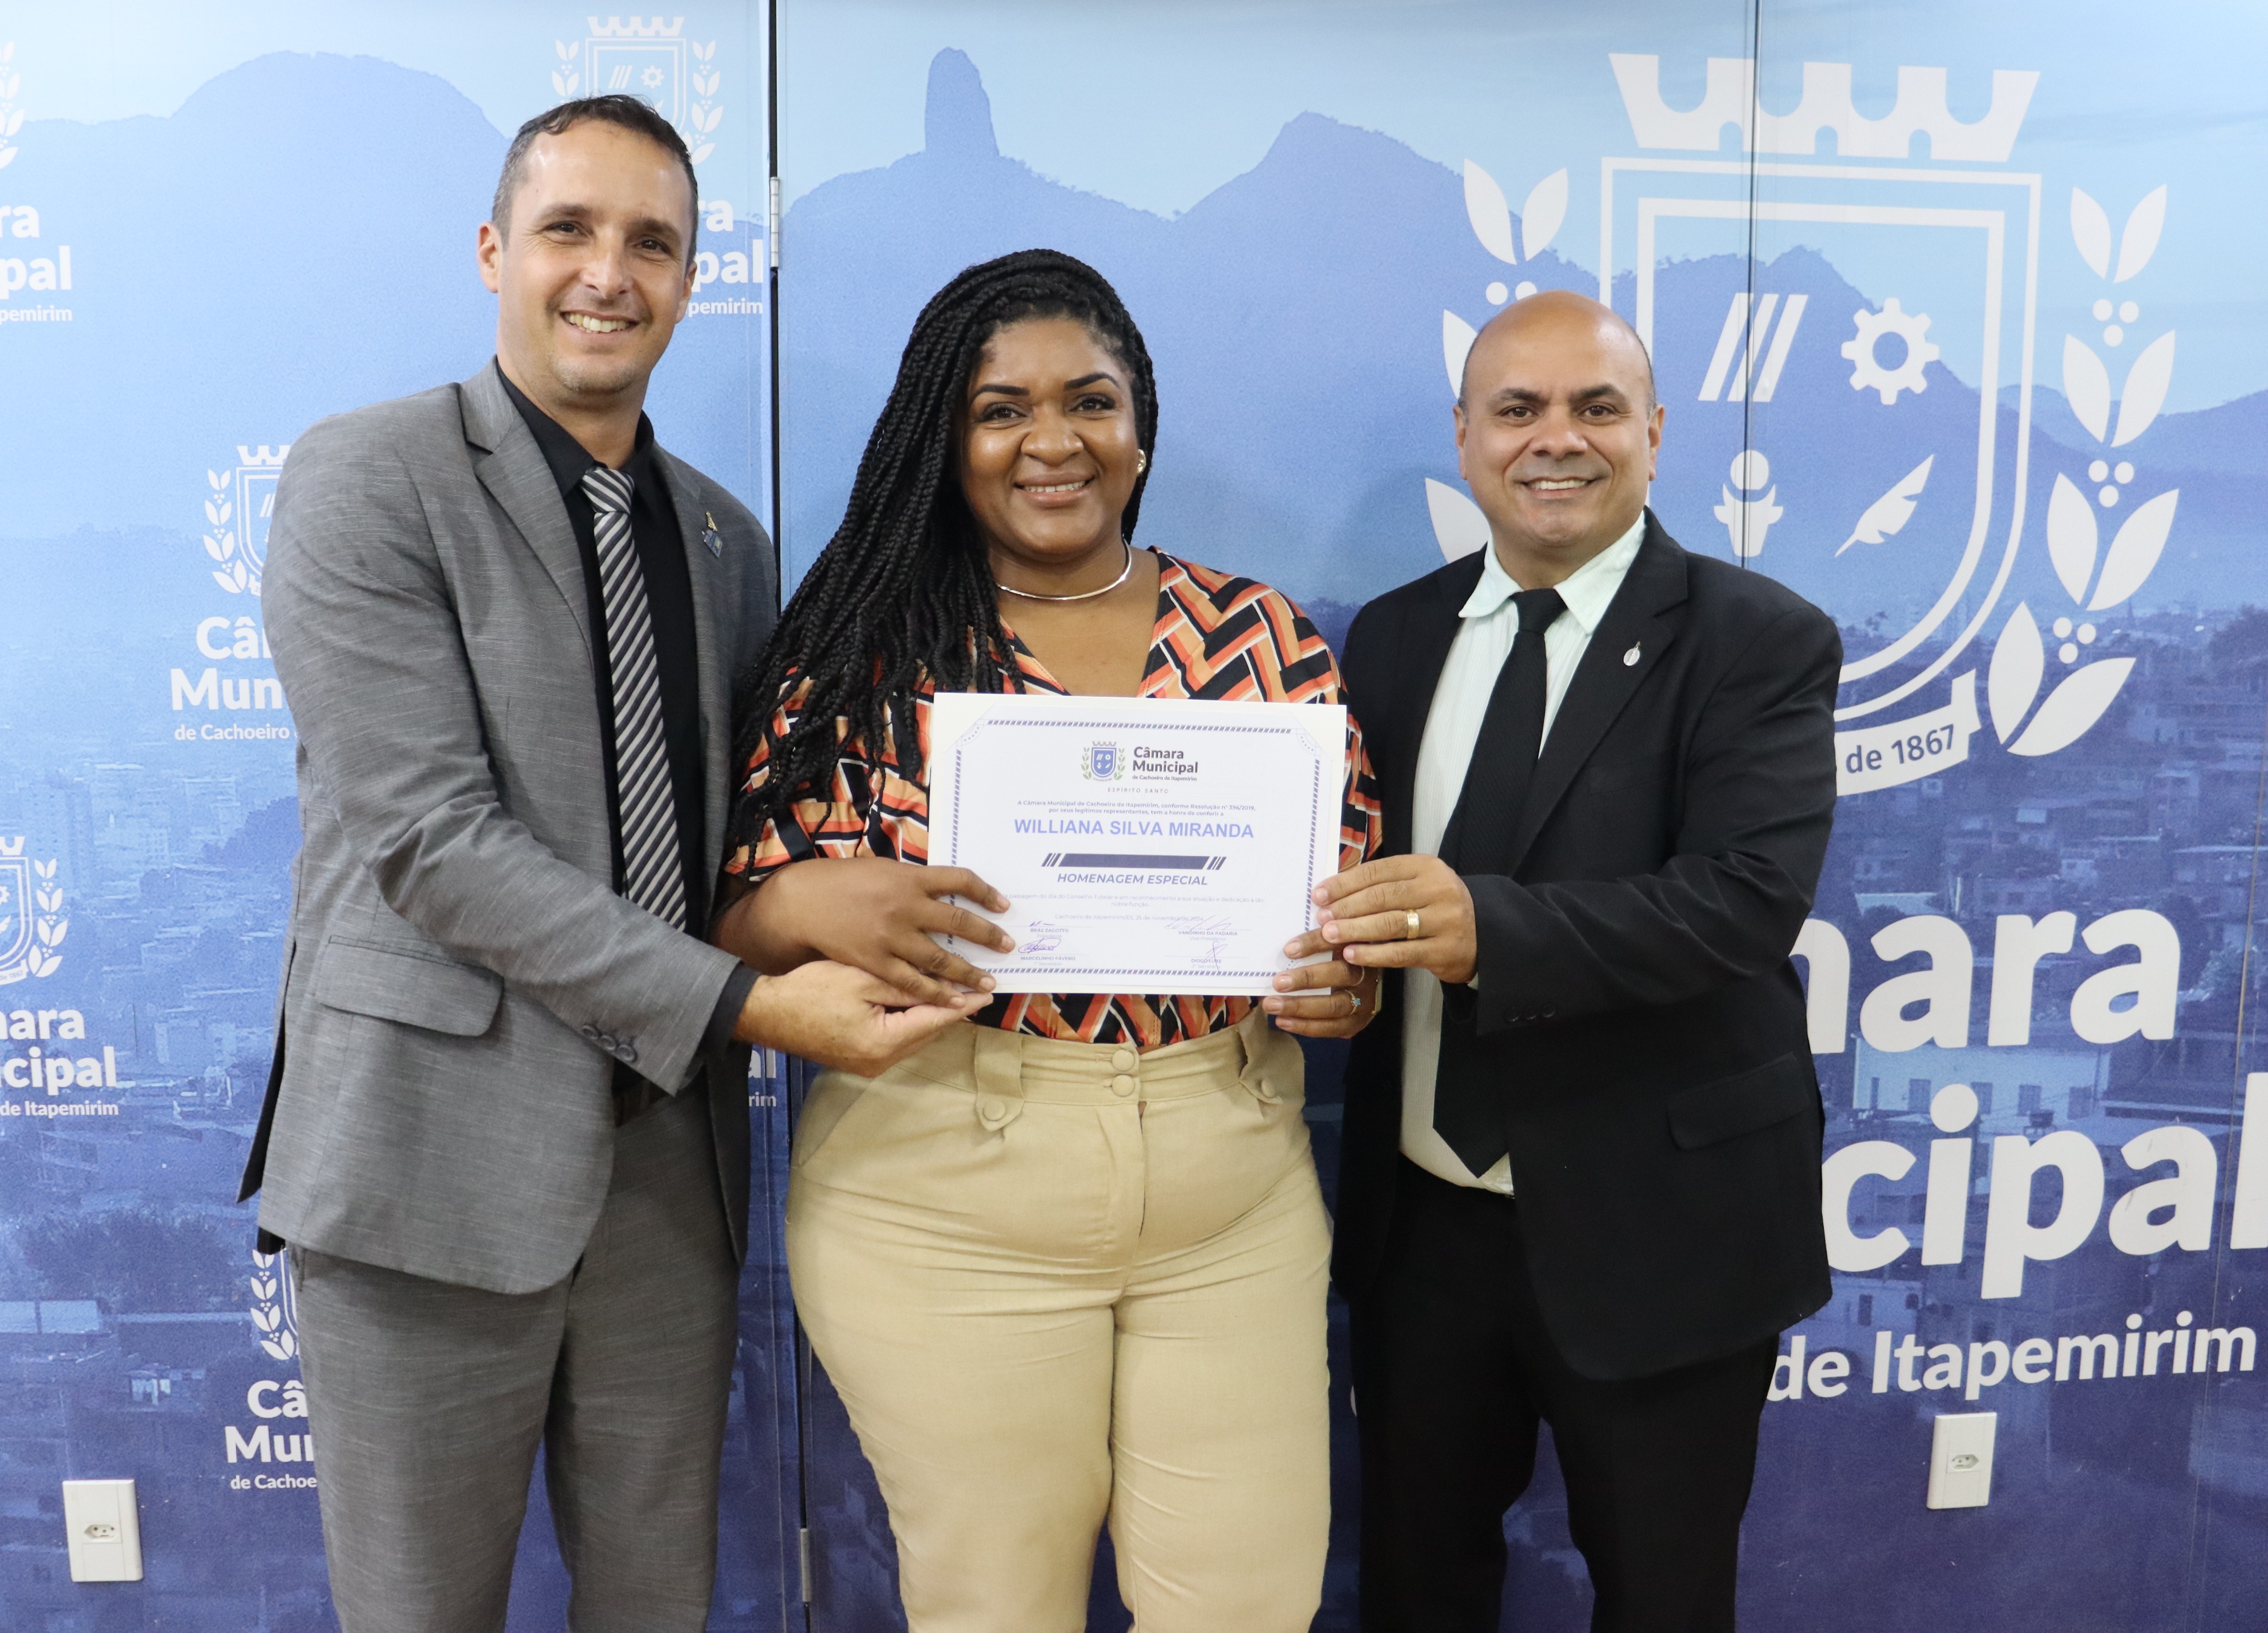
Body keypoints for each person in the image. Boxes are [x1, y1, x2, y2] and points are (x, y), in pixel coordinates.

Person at [238, 96, 976, 1633]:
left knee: (656, 1607)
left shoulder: (723, 540)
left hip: (663, 1180)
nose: (607, 273)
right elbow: (432, 844)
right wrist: (753, 1007)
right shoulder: (368, 478)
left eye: (652, 243)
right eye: (568, 229)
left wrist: (822, 904)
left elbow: (731, 844)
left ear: (692, 281)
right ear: (493, 250)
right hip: (426, 1169)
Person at [712, 249, 1382, 1632]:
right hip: (942, 1184)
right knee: (995, 1606)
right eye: (1000, 409)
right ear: (942, 438)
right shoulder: (866, 649)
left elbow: (1344, 912)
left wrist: (1344, 984)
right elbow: (726, 919)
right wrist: (813, 903)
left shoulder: (1261, 639)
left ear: (1140, 423)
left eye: (1090, 400)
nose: (1053, 441)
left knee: (1247, 1604)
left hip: (1228, 1185)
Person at [1314, 289, 1840, 1632]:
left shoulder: (1758, 638)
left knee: (1663, 1600)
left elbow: (1744, 904)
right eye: (1519, 408)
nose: (1558, 438)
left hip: (1660, 1228)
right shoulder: (1393, 634)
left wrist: (1486, 931)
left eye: (1596, 407)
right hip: (1424, 1227)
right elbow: (1357, 880)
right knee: (1418, 1590)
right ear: (1465, 437)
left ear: (1654, 433)